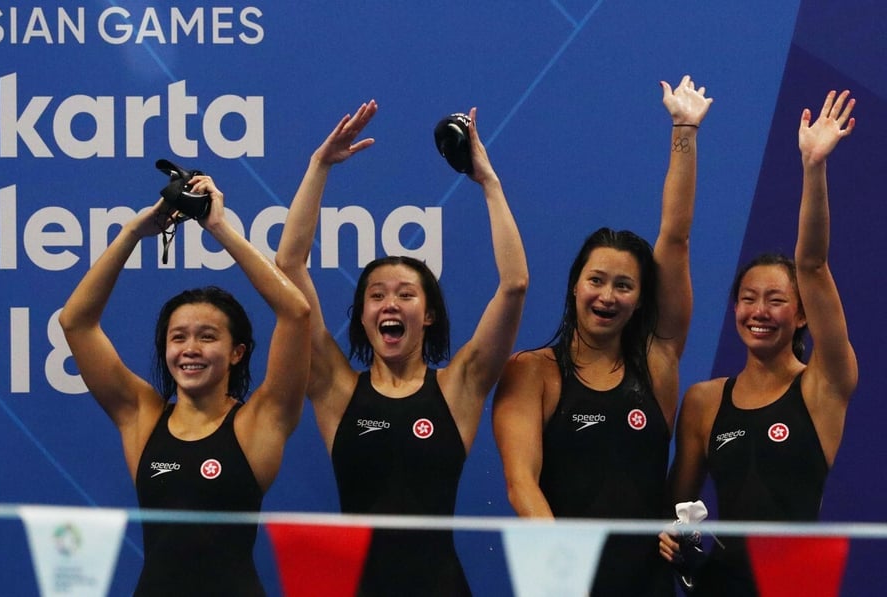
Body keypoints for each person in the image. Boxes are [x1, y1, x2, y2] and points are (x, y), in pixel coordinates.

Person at [274, 100, 528, 596]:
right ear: (364, 315)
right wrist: (318, 166)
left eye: (406, 295)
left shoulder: (461, 387)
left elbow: (514, 284)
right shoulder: (333, 389)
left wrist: (489, 183)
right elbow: (289, 265)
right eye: (376, 295)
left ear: (428, 314)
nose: (390, 304)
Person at [491, 75, 712, 596]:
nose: (607, 296)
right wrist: (564, 565)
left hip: (647, 584)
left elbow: (675, 238)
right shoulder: (532, 372)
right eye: (596, 281)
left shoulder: (658, 362)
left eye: (623, 285)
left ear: (640, 300)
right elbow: (521, 484)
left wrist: (684, 131)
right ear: (574, 288)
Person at [58, 174, 310, 596]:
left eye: (207, 336)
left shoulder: (260, 421)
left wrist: (219, 229)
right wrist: (133, 232)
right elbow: (75, 322)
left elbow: (296, 313)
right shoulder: (141, 416)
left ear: (238, 352)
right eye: (178, 337)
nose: (190, 349)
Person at [658, 90, 859, 595]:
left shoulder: (824, 386)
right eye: (748, 298)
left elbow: (811, 264)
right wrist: (672, 539)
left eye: (775, 299)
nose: (759, 312)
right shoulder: (704, 403)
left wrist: (813, 167)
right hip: (721, 584)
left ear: (803, 314)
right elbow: (674, 510)